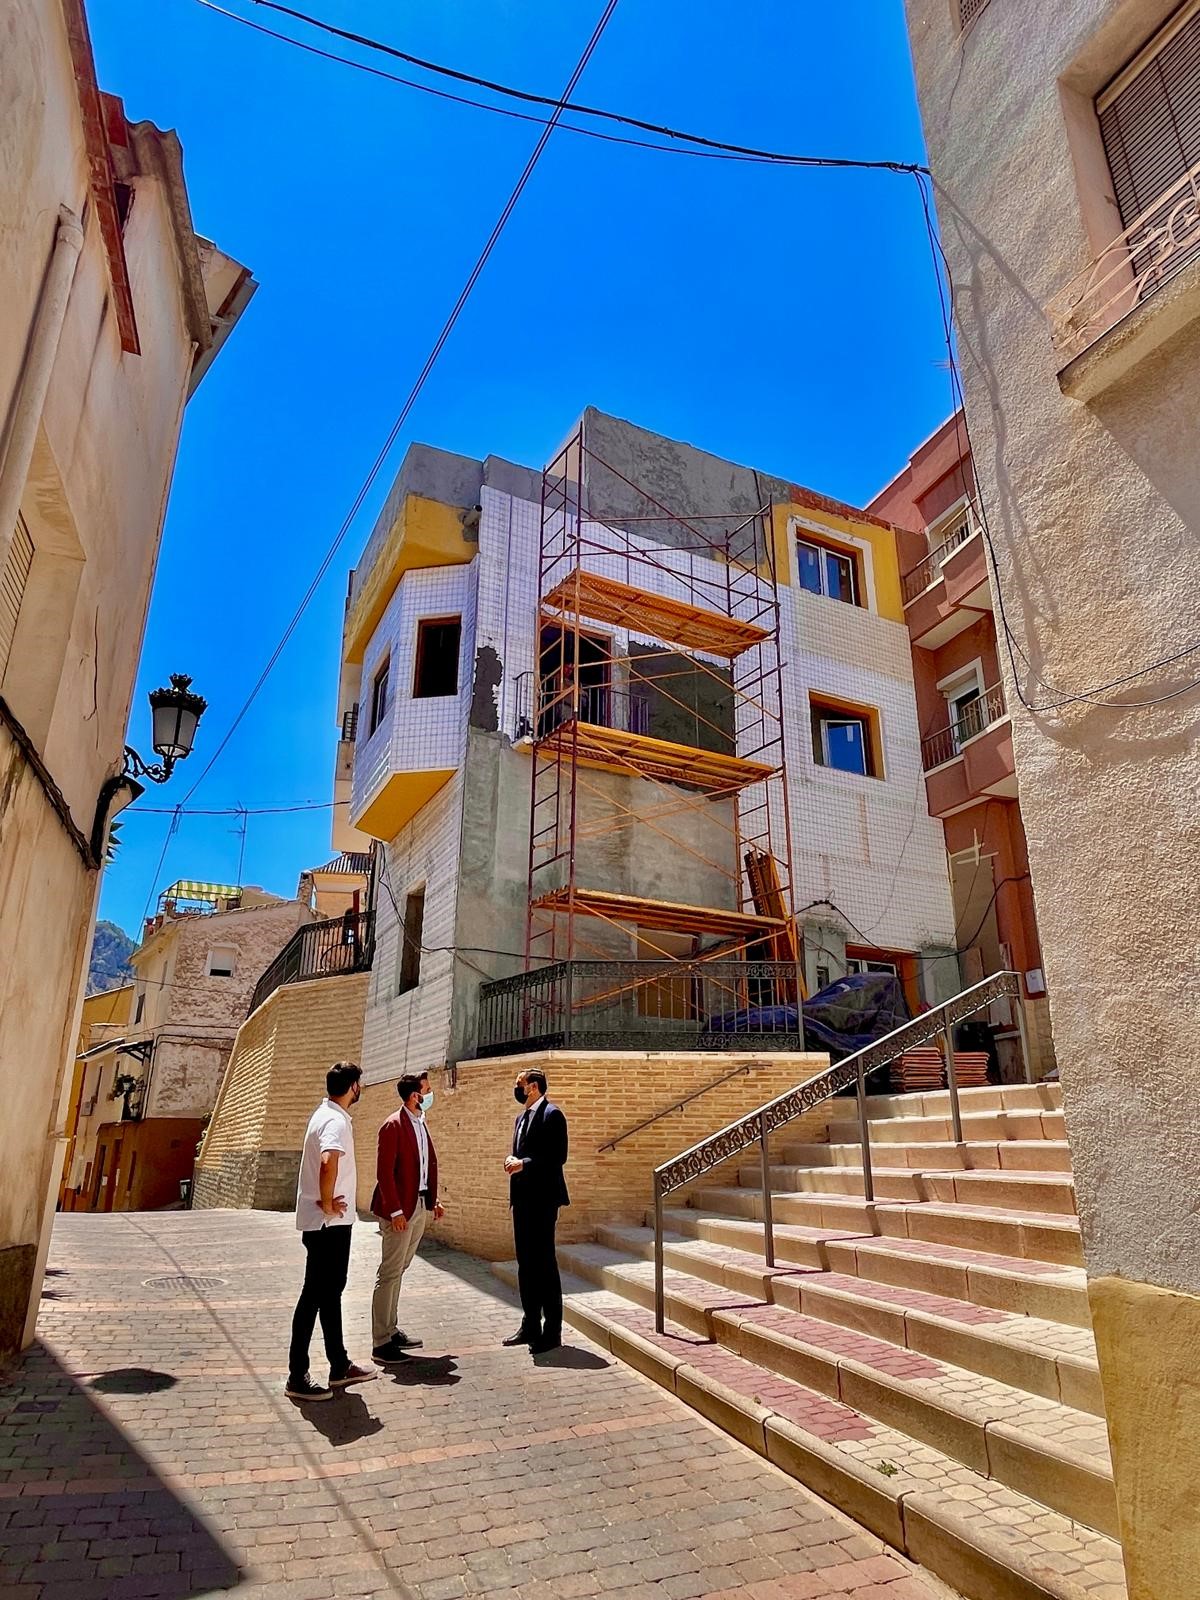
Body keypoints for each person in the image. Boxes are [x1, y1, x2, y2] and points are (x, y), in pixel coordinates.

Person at [286, 1062, 377, 1402]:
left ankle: (339, 1365)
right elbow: (328, 1161)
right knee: (314, 1296)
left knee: (328, 1294)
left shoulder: (325, 1115)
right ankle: (298, 1376)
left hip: (328, 1223)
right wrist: (326, 1202)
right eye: (360, 1083)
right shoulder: (335, 1121)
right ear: (353, 1086)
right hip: (328, 1224)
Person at [370, 1072, 444, 1364]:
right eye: (426, 1090)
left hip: (420, 1205)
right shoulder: (393, 1125)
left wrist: (432, 1198)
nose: (429, 1094)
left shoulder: (420, 1123)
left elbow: (421, 1168)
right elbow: (384, 1173)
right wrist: (396, 1211)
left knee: (399, 1269)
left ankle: (391, 1329)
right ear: (415, 1095)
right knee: (389, 1273)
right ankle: (380, 1341)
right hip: (400, 1211)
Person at [502, 1069, 569, 1353]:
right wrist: (511, 1159)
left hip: (543, 1201)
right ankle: (530, 1325)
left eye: (519, 1085)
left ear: (533, 1086)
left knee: (544, 1265)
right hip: (522, 1201)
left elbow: (557, 1157)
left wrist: (524, 1163)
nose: (516, 1089)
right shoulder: (521, 1117)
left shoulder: (552, 1115)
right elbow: (521, 1152)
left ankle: (552, 1331)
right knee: (525, 1265)